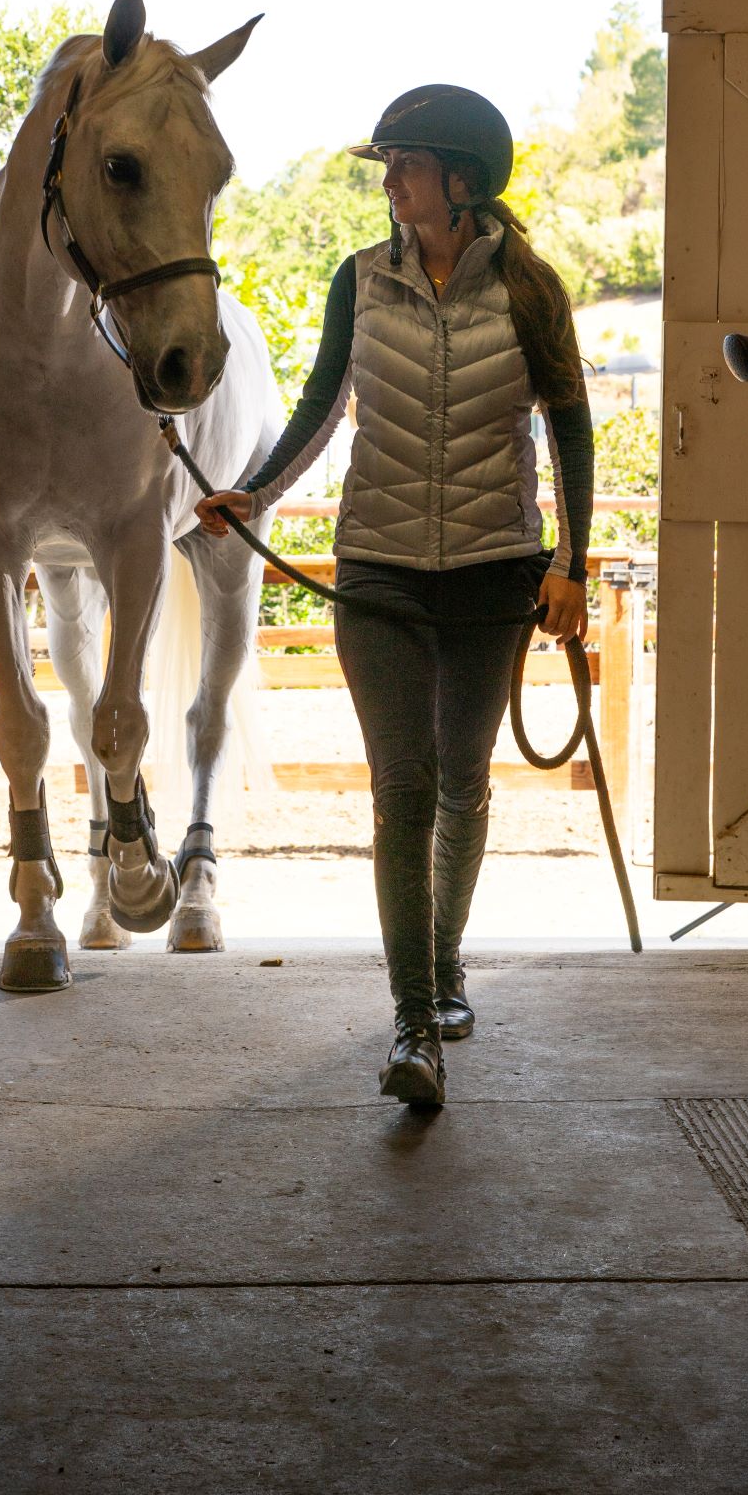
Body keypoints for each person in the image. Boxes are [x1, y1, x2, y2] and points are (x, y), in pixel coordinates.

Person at [198, 85, 592, 1110]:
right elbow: (324, 401)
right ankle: (414, 1022)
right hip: (375, 566)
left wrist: (572, 566)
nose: (388, 181)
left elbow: (570, 426)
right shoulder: (359, 279)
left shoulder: (532, 290)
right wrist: (258, 487)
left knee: (463, 780)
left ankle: (446, 967)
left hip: (494, 568)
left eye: (404, 163)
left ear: (459, 181)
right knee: (400, 790)